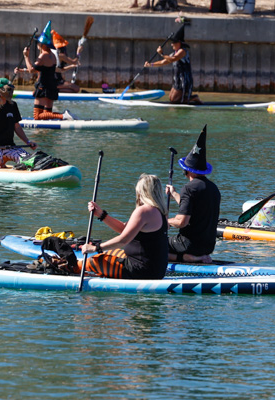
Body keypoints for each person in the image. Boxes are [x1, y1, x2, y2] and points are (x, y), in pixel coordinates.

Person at [81, 174, 170, 280]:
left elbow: (123, 240)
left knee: (94, 260)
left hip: (140, 271)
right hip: (154, 270)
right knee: (110, 252)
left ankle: (70, 267)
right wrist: (101, 215)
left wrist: (96, 248)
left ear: (142, 191)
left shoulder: (144, 211)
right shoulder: (162, 212)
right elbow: (125, 229)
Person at [166, 127, 222, 263]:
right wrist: (174, 194)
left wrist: (165, 222)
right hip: (208, 246)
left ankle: (187, 258)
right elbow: (192, 208)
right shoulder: (213, 188)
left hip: (188, 245)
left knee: (154, 245)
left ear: (187, 171)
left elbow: (181, 222)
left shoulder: (189, 188)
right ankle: (199, 256)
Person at [144, 24, 201, 104]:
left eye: (173, 42)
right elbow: (163, 62)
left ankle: (194, 98)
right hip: (177, 79)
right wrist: (151, 65)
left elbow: (173, 59)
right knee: (171, 98)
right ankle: (188, 99)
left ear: (179, 43)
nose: (171, 44)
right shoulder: (174, 53)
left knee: (175, 100)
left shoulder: (183, 51)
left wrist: (162, 54)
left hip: (184, 80)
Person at [18, 36, 69, 120]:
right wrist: (22, 70)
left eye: (38, 43)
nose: (37, 44)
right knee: (46, 115)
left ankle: (63, 116)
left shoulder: (43, 56)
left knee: (37, 116)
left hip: (43, 87)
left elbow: (32, 70)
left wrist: (26, 56)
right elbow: (41, 70)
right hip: (51, 87)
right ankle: (65, 115)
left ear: (43, 45)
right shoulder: (52, 55)